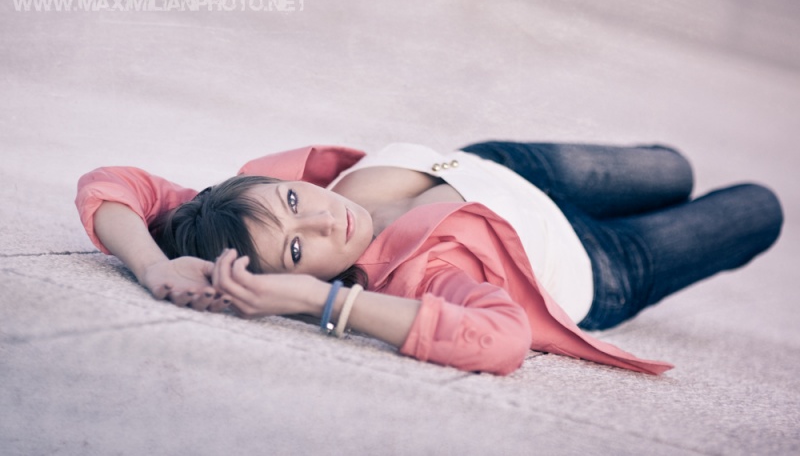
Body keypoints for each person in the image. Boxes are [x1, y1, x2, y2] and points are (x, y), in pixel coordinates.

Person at [75, 141, 783, 376]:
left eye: (294, 201)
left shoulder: (238, 202)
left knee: (673, 168)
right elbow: (501, 341)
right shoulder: (414, 279)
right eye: (300, 250)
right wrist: (318, 305)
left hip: (504, 167)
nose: (324, 217)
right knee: (760, 208)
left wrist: (153, 265)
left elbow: (118, 185)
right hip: (600, 261)